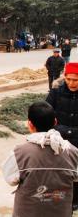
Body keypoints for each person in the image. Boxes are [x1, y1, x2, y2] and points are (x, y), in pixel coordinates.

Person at [2, 101, 78, 217]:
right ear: (55, 122)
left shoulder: (19, 153)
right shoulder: (72, 152)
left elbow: (10, 179)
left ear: (30, 124)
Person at [46, 62, 78, 210]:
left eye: (76, 79)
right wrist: (66, 131)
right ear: (64, 77)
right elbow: (46, 117)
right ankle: (58, 200)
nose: (71, 83)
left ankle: (75, 201)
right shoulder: (56, 93)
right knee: (58, 173)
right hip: (59, 140)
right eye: (68, 79)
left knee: (75, 173)